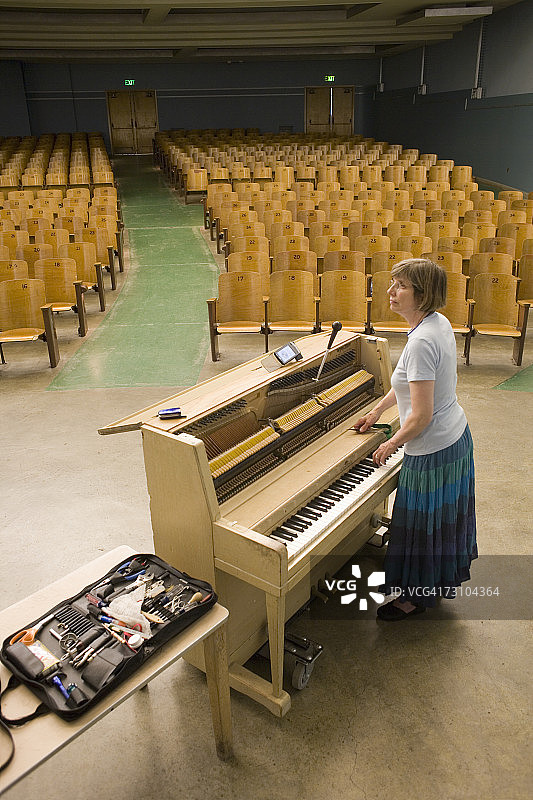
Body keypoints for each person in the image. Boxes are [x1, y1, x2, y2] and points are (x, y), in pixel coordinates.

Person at [353, 258, 477, 620]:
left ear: (422, 295)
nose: (391, 292)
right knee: (439, 522)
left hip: (433, 447)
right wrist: (378, 412)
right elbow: (407, 383)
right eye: (393, 283)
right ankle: (432, 582)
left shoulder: (422, 341)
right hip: (455, 437)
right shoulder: (436, 324)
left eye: (401, 286)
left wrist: (391, 443)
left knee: (422, 527)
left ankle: (412, 599)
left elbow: (420, 417)